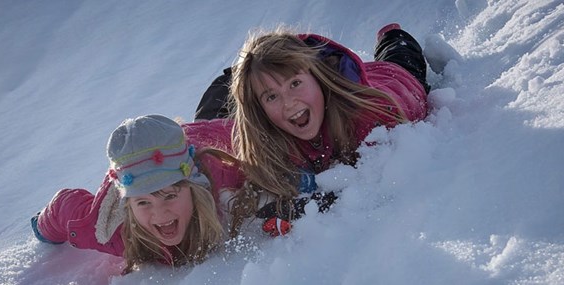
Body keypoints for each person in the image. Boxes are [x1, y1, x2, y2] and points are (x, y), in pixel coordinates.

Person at [202, 24, 430, 235]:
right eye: (271, 96)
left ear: (318, 78)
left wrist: (316, 203)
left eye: (295, 83)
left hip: (394, 77)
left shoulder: (371, 117)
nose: (288, 102)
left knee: (401, 54)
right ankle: (249, 77)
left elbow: (372, 182)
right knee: (220, 102)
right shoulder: (267, 134)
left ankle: (391, 34)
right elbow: (208, 141)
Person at [31, 114, 245, 274]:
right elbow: (63, 207)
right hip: (137, 167)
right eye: (143, 202)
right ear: (127, 206)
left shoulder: (220, 173)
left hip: (205, 136)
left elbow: (249, 135)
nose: (160, 214)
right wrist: (43, 228)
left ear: (193, 188)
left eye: (170, 195)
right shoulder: (110, 230)